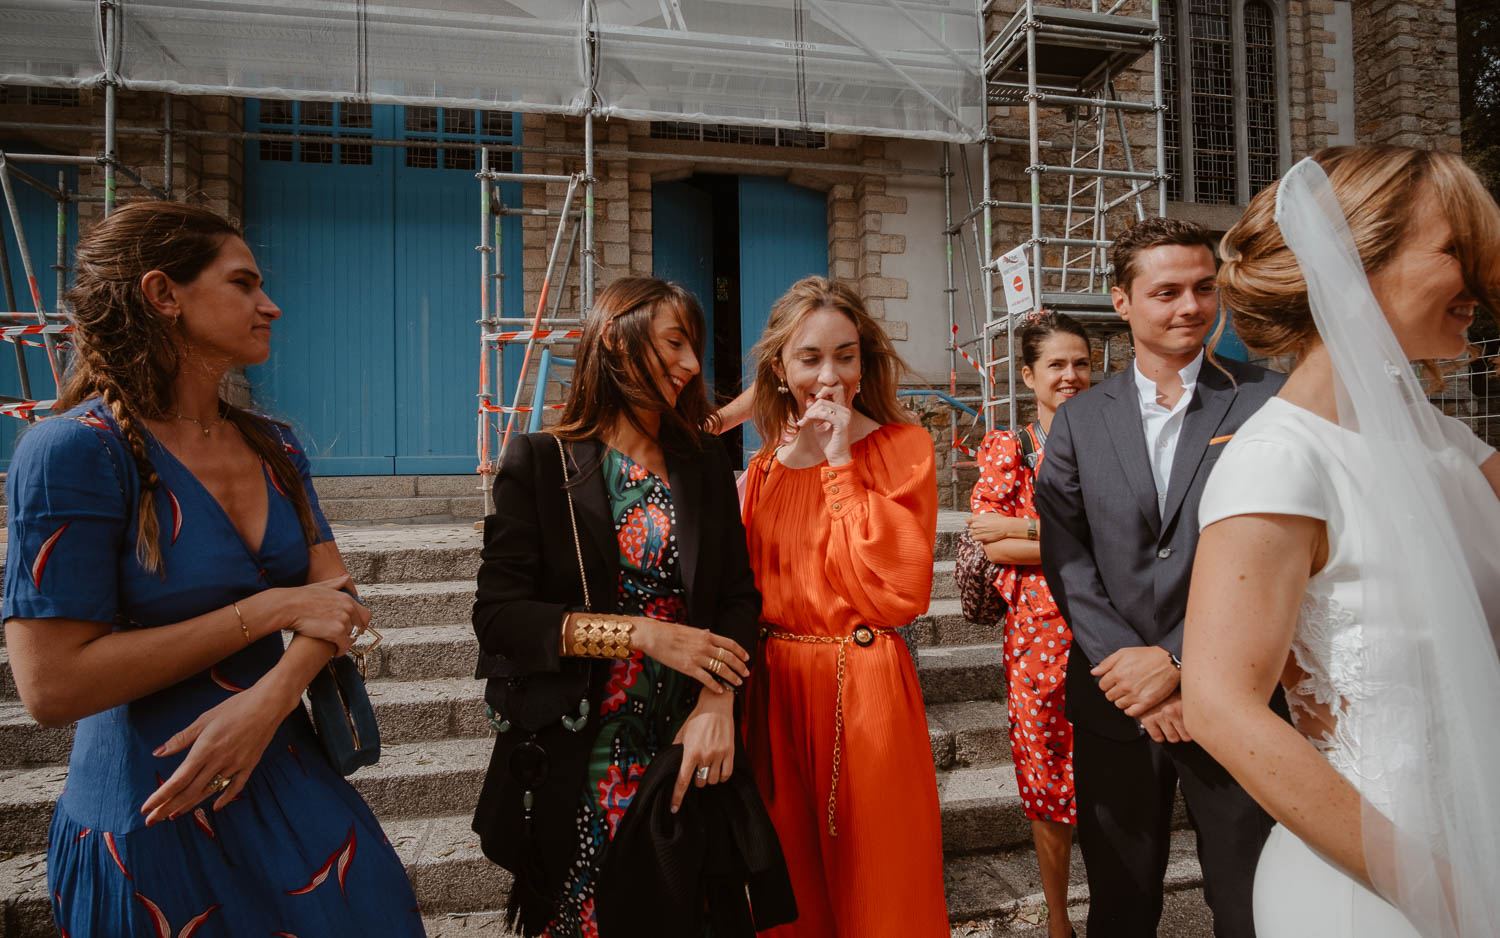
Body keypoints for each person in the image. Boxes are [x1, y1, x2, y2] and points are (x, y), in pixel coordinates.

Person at [2, 202, 423, 936]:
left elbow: (338, 599)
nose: (271, 305)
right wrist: (269, 611)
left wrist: (270, 700)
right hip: (148, 807)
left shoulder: (276, 449)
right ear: (165, 295)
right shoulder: (72, 452)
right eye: (243, 284)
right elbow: (51, 686)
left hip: (284, 768)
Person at [1184, 147, 1500, 938]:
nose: (1486, 281)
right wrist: (1446, 897)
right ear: (1358, 264)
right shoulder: (1281, 458)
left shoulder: (1453, 450)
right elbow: (1221, 707)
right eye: (1459, 251)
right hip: (1380, 894)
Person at [471, 277, 770, 936]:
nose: (692, 364)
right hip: (584, 750)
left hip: (688, 743)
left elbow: (737, 598)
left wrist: (717, 703)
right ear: (614, 337)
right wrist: (641, 635)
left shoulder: (700, 464)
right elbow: (498, 618)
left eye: (693, 346)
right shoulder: (542, 463)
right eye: (674, 342)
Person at [1034, 217, 1286, 938]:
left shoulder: (1269, 401)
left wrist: (1179, 663)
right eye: (1166, 291)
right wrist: (1131, 673)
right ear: (1122, 301)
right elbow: (1067, 556)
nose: (1190, 307)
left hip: (1236, 696)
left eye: (1205, 288)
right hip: (1115, 704)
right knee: (1120, 904)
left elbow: (1279, 556)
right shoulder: (1080, 419)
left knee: (1250, 906)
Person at [739, 275, 947, 937]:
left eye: (846, 354)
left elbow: (898, 589)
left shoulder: (904, 448)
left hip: (864, 688)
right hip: (774, 695)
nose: (830, 374)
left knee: (882, 885)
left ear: (865, 361)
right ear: (779, 369)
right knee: (789, 891)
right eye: (810, 357)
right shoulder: (763, 469)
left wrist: (837, 458)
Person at [967, 311, 1092, 938]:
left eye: (1081, 364)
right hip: (1038, 637)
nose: (1071, 376)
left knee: (1108, 775)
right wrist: (1078, 538)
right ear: (1028, 374)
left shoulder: (1111, 440)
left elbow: (1126, 539)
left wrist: (1027, 529)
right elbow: (990, 546)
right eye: (1057, 365)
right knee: (1044, 774)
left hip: (1106, 627)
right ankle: (1059, 917)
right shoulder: (1008, 448)